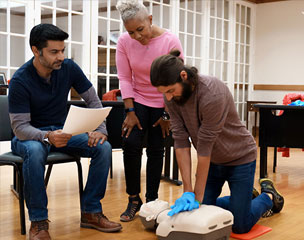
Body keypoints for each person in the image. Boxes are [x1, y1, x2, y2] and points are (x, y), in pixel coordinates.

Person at [149, 49, 284, 234]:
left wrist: (196, 198)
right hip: (213, 161)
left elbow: (204, 146)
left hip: (240, 158)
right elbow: (180, 141)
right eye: (164, 93)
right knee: (199, 214)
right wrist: (188, 191)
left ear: (184, 76)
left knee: (240, 225)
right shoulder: (171, 97)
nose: (169, 97)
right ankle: (243, 199)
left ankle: (267, 195)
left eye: (171, 90)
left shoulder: (212, 93)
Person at [8, 23, 122, 240]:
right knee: (35, 150)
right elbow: (20, 128)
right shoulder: (21, 80)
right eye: (54, 52)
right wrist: (47, 136)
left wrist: (101, 130)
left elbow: (93, 100)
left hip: (63, 131)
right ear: (36, 50)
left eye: (62, 50)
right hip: (29, 136)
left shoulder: (68, 68)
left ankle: (91, 212)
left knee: (103, 147)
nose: (60, 56)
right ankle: (39, 222)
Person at [115, 0, 184, 222]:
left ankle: (152, 200)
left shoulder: (169, 40)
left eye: (140, 29)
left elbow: (176, 80)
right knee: (131, 144)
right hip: (137, 99)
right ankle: (134, 199)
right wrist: (130, 111)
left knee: (156, 149)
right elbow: (125, 77)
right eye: (130, 31)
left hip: (164, 100)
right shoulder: (124, 41)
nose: (136, 36)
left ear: (150, 19)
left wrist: (167, 114)